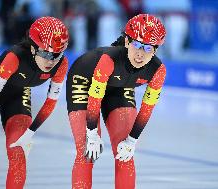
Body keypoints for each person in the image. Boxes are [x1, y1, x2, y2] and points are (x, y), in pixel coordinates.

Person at [66, 14, 166, 189]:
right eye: (137, 44)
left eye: (148, 48)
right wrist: (91, 133)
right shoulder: (109, 59)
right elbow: (95, 98)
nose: (141, 54)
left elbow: (146, 109)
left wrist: (132, 142)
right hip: (85, 82)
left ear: (155, 50)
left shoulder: (158, 70)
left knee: (125, 154)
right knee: (86, 151)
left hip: (119, 88)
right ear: (127, 42)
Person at [0, 16, 69, 189]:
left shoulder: (61, 65)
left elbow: (51, 102)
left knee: (18, 154)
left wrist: (30, 132)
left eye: (56, 55)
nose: (50, 60)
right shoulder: (14, 57)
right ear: (32, 48)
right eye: (45, 53)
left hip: (18, 94)